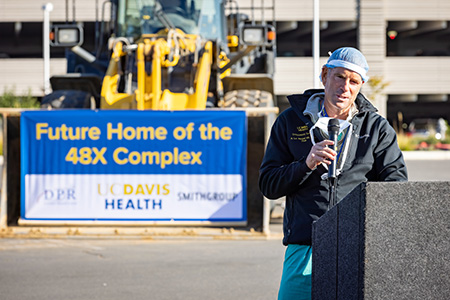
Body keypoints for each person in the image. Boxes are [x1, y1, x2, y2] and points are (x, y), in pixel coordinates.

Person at [258, 47, 408, 300]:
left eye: (353, 81)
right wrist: (305, 164)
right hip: (305, 245)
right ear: (324, 75)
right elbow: (268, 185)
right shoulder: (289, 121)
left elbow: (396, 187)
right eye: (339, 77)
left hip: (357, 247)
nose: (345, 87)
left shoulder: (377, 128)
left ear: (360, 85)